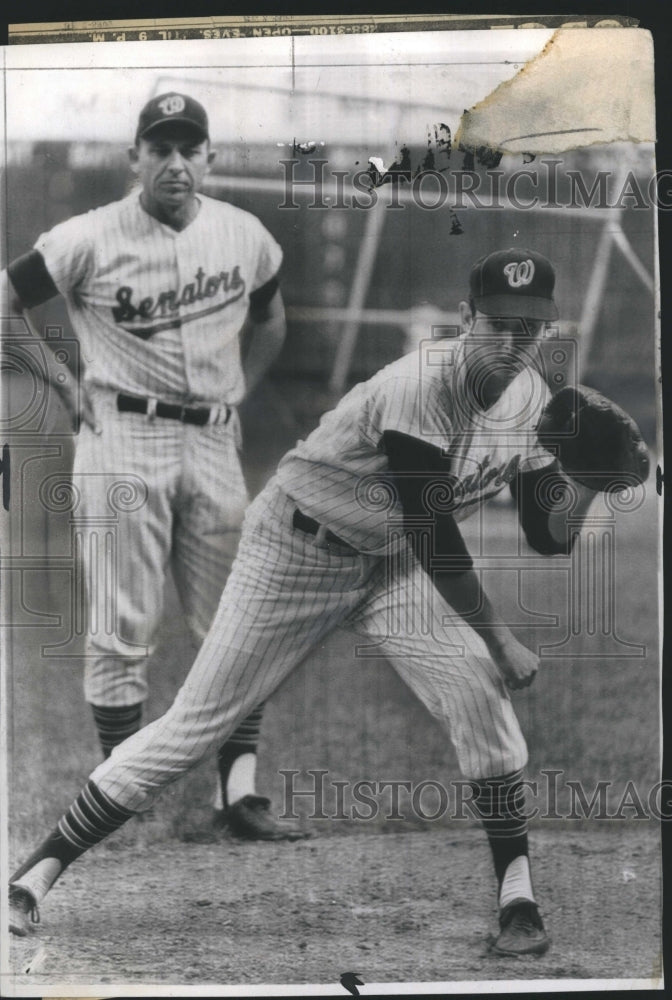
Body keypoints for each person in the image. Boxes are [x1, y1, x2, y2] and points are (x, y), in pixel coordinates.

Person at [9, 248, 599, 955]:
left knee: (478, 695)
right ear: (465, 318)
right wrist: (501, 638)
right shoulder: (420, 384)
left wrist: (588, 480)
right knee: (195, 727)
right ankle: (33, 877)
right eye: (498, 324)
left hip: (389, 566)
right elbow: (433, 528)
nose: (511, 343)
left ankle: (518, 899)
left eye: (528, 330)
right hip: (294, 549)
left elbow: (547, 534)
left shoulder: (532, 400)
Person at [2, 91, 306, 842]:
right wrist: (65, 383)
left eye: (189, 149)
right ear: (134, 158)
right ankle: (118, 795)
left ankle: (239, 794)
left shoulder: (246, 235)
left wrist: (241, 389)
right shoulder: (88, 237)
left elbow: (270, 316)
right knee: (121, 628)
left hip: (212, 441)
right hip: (120, 436)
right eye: (159, 148)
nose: (175, 163)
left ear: (210, 158)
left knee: (236, 629)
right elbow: (6, 302)